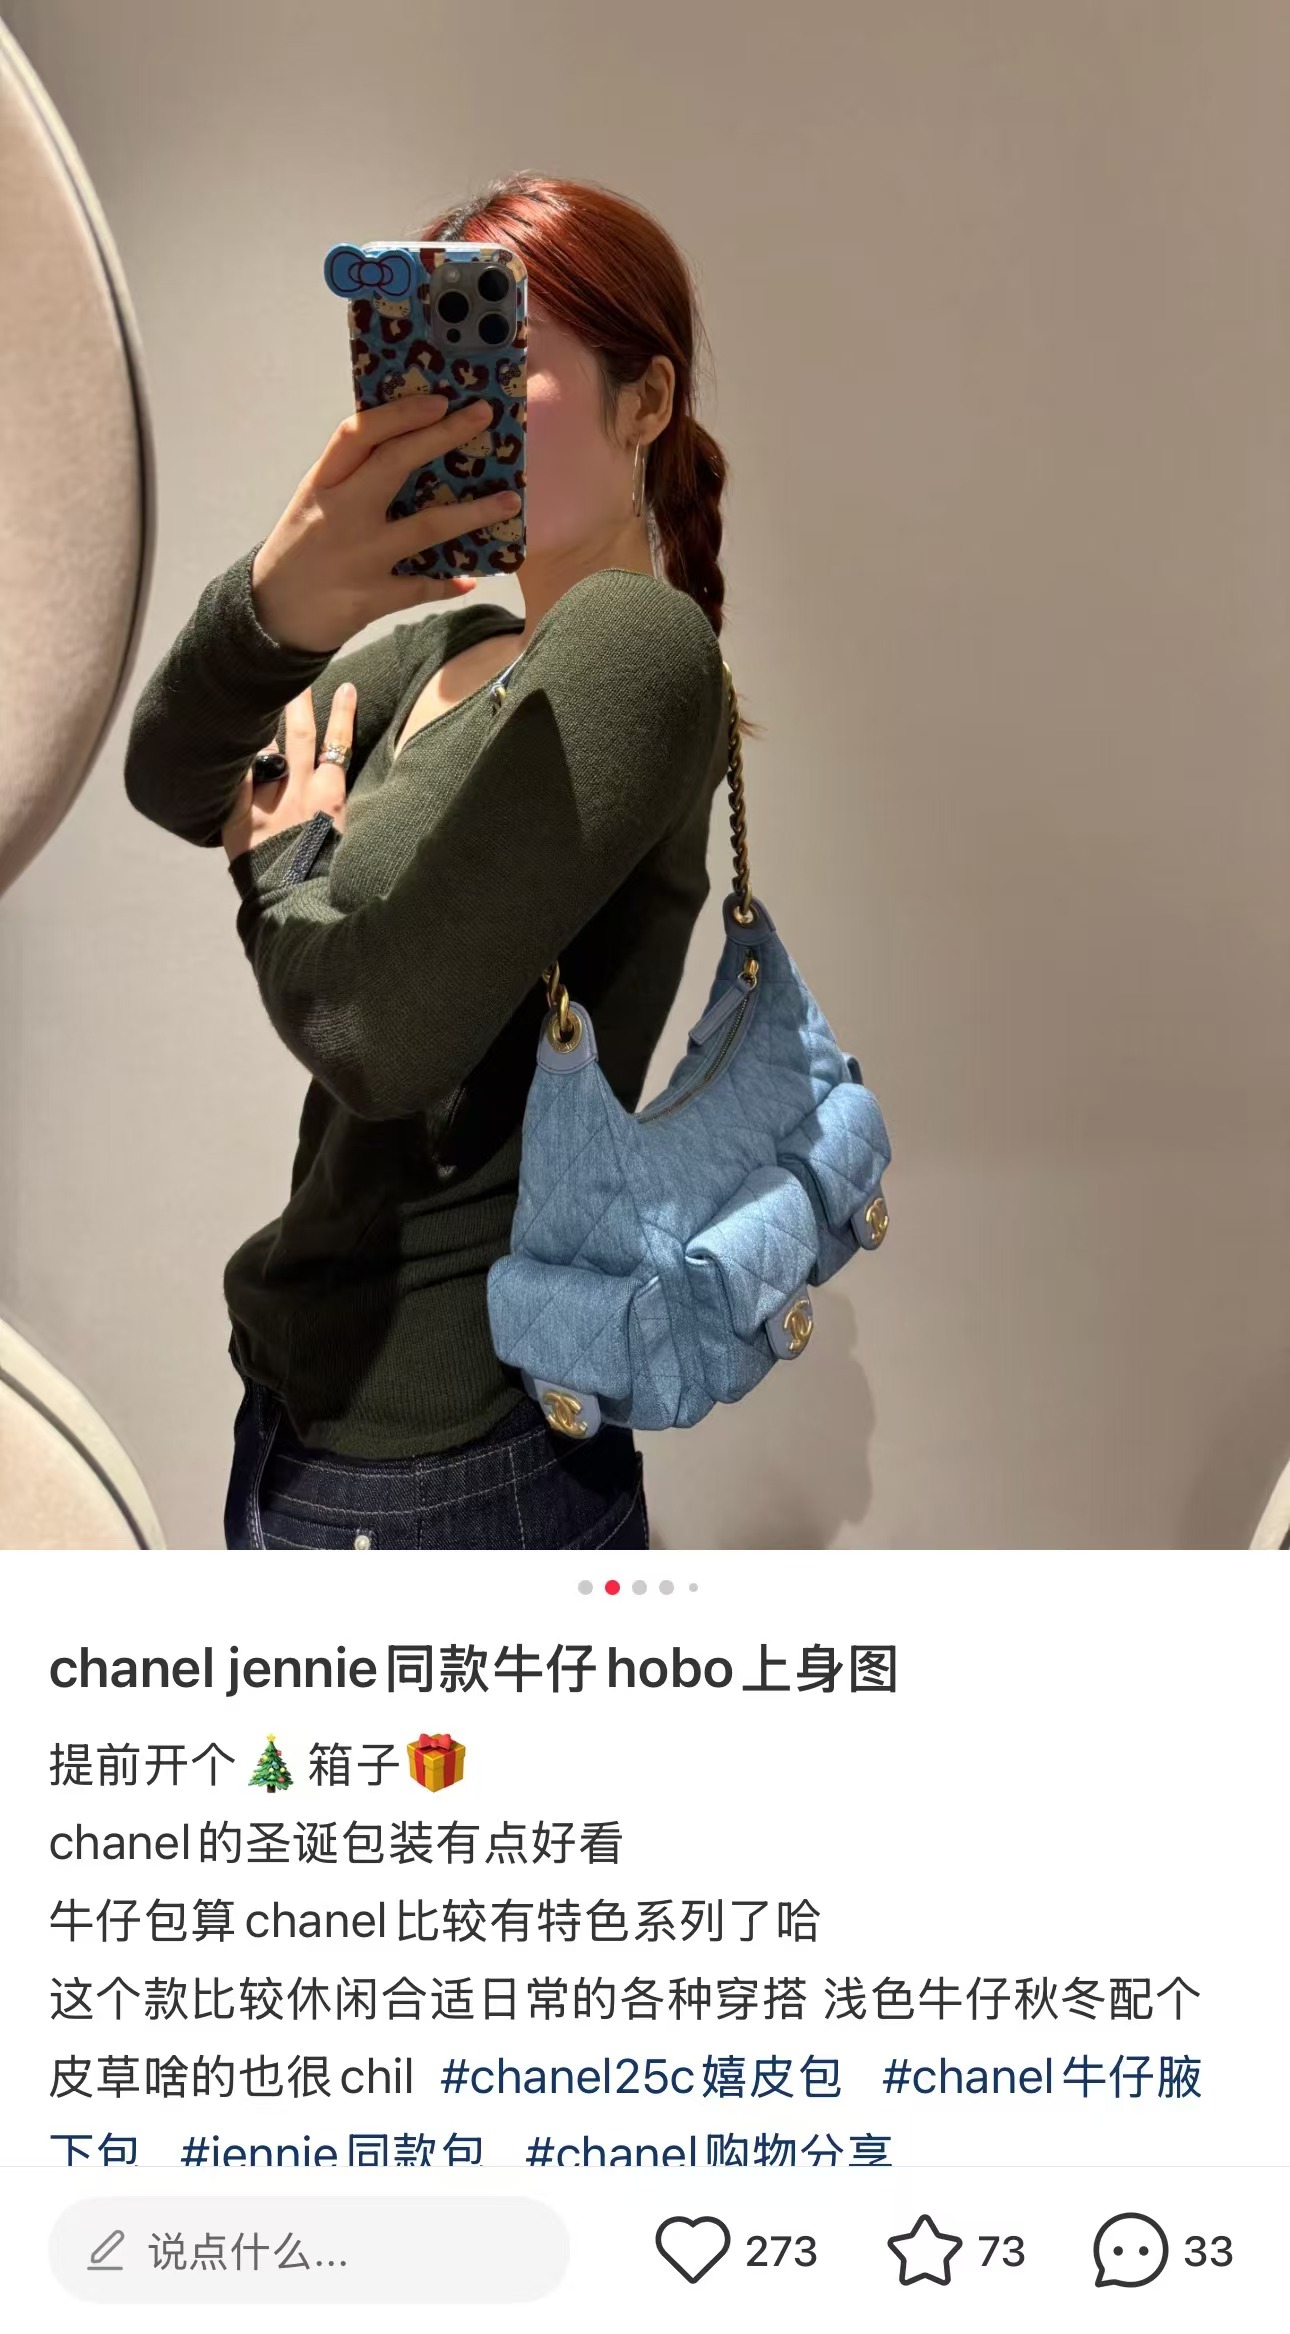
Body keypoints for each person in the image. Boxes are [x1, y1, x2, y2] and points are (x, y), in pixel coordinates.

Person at [124, 171, 751, 1552]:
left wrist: (288, 861)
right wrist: (277, 606)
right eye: (438, 369)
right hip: (301, 1403)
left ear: (645, 401)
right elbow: (171, 778)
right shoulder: (441, 650)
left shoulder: (636, 648)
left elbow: (375, 1034)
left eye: (509, 363)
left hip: (457, 1454)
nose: (465, 410)